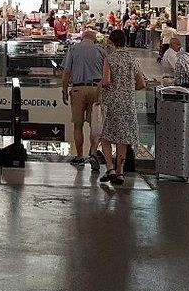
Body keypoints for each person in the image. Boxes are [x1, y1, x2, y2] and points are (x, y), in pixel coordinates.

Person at [99, 29, 144, 186]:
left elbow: (106, 82)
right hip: (128, 103)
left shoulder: (109, 59)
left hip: (112, 103)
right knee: (122, 138)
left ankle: (110, 168)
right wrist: (128, 88)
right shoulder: (133, 59)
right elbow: (141, 83)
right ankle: (120, 172)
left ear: (111, 42)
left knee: (106, 136)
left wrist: (103, 85)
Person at [60, 29, 105, 169]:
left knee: (78, 125)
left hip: (78, 89)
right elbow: (107, 73)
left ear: (82, 38)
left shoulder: (73, 49)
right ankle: (93, 154)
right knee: (95, 125)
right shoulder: (101, 50)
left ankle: (79, 156)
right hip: (96, 89)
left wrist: (64, 89)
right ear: (94, 39)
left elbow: (66, 72)